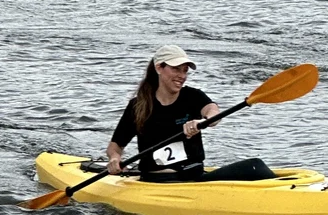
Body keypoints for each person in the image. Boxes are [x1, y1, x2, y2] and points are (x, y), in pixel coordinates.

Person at [106, 45, 274, 182]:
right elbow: (115, 147)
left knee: (255, 165)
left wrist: (202, 121)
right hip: (160, 180)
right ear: (159, 68)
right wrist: (115, 159)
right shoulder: (138, 106)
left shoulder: (192, 96)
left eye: (185, 70)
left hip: (194, 176)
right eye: (176, 69)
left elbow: (213, 112)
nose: (182, 76)